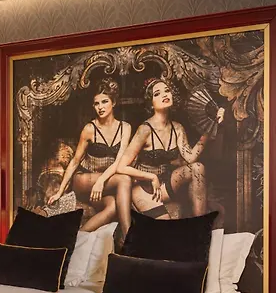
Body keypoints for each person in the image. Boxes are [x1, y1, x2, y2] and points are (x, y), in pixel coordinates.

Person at [116, 78, 224, 219]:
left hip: (165, 184)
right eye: (157, 93)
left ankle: (200, 223)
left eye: (167, 91)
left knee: (197, 167)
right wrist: (152, 177)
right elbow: (121, 167)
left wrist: (211, 126)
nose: (164, 95)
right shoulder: (144, 129)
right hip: (144, 187)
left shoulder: (177, 128)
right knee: (166, 225)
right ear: (151, 103)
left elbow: (190, 158)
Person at [47, 78, 132, 236]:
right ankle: (130, 239)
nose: (100, 107)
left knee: (112, 207)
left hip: (104, 183)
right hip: (84, 180)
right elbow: (75, 161)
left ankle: (76, 240)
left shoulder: (125, 128)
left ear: (113, 102)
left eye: (105, 102)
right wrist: (60, 192)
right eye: (96, 103)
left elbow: (119, 161)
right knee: (125, 179)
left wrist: (101, 181)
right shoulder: (89, 129)